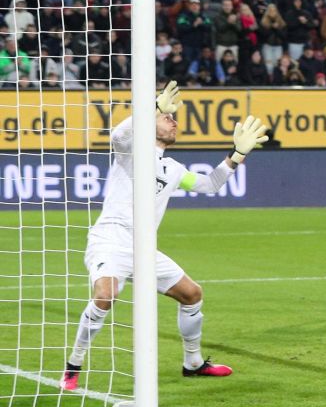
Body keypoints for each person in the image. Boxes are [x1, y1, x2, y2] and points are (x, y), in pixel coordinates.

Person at [60, 81, 269, 390]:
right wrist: (153, 108)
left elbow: (209, 184)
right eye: (167, 117)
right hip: (111, 240)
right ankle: (72, 367)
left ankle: (193, 363)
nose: (173, 121)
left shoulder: (172, 168)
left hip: (143, 248)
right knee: (106, 295)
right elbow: (118, 134)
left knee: (192, 294)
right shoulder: (131, 151)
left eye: (174, 119)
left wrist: (236, 154)